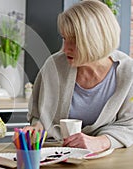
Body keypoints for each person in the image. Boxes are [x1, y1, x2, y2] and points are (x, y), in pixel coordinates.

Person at [25, 0, 133, 153]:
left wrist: (100, 142)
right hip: (56, 155)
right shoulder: (54, 65)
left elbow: (130, 125)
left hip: (110, 158)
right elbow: (38, 117)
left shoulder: (129, 73)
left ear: (97, 40)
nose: (65, 48)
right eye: (64, 38)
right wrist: (36, 129)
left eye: (75, 40)